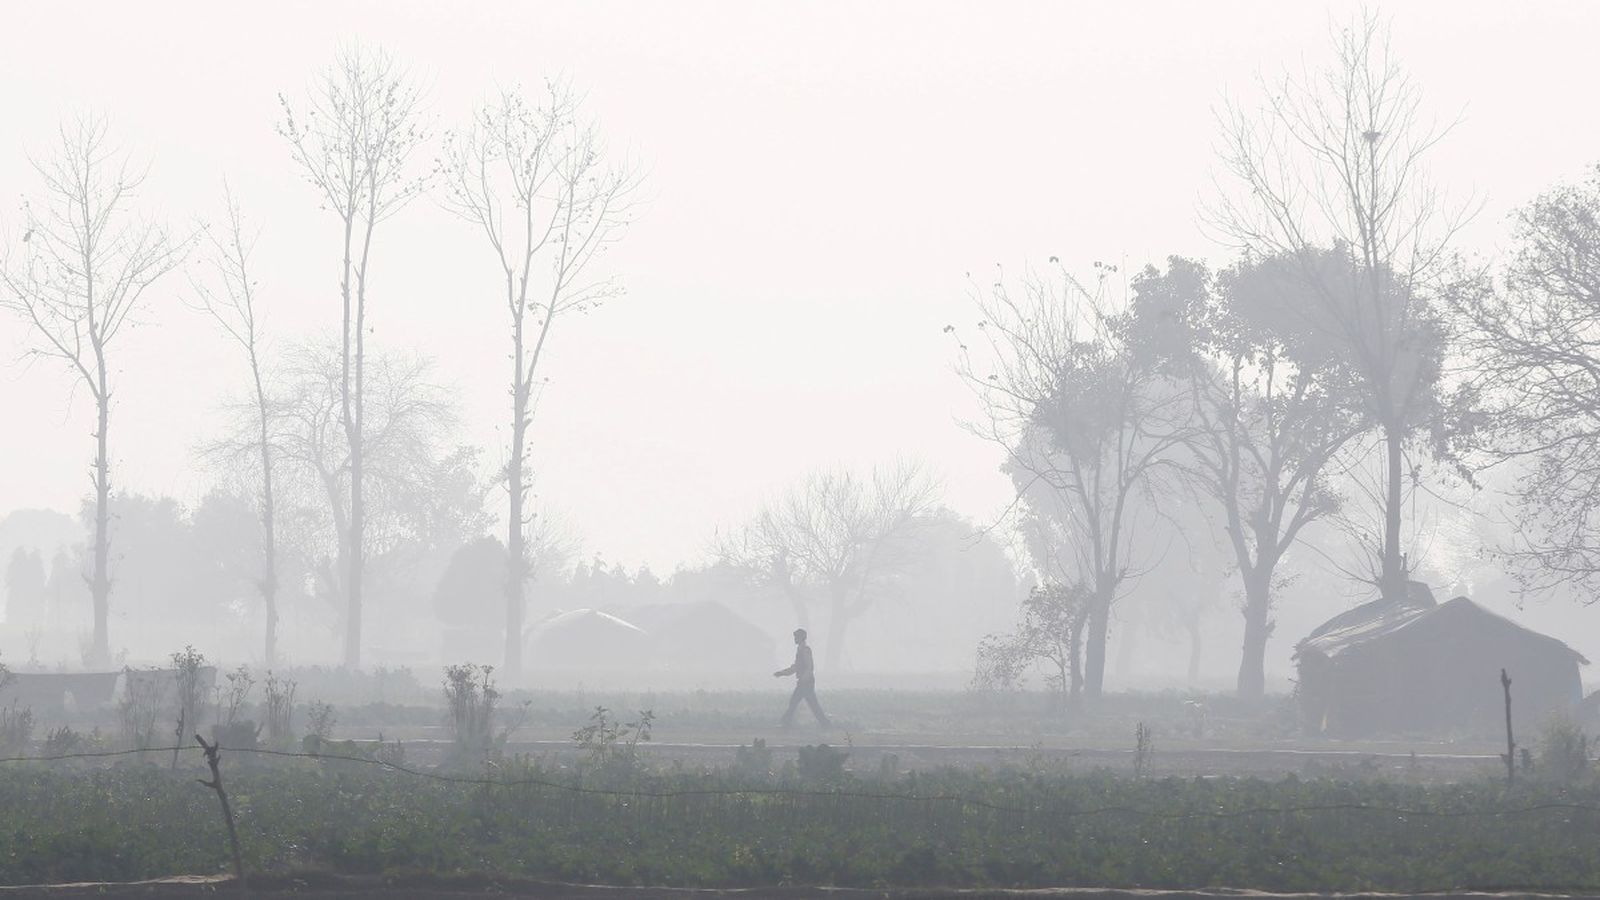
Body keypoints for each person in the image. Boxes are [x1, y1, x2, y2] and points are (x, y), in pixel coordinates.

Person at [774, 627, 830, 728]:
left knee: (794, 702)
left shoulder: (805, 650)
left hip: (806, 683)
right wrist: (782, 673)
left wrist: (803, 679)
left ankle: (785, 723)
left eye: (796, 637)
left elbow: (810, 667)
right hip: (805, 682)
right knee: (811, 704)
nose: (794, 639)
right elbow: (796, 667)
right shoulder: (800, 650)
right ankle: (826, 724)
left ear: (801, 638)